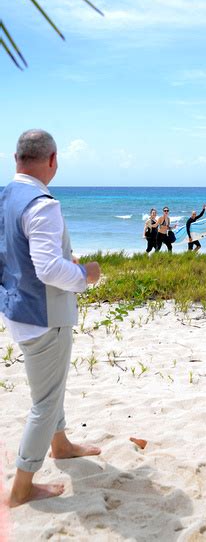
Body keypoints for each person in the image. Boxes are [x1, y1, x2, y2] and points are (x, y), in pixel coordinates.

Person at [0, 130, 102, 507]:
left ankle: (61, 445)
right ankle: (22, 488)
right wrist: (84, 276)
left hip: (17, 310)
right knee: (44, 401)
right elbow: (46, 269)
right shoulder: (43, 204)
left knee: (49, 387)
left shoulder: (5, 196)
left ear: (16, 158)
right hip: (44, 315)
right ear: (53, 160)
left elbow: (14, 254)